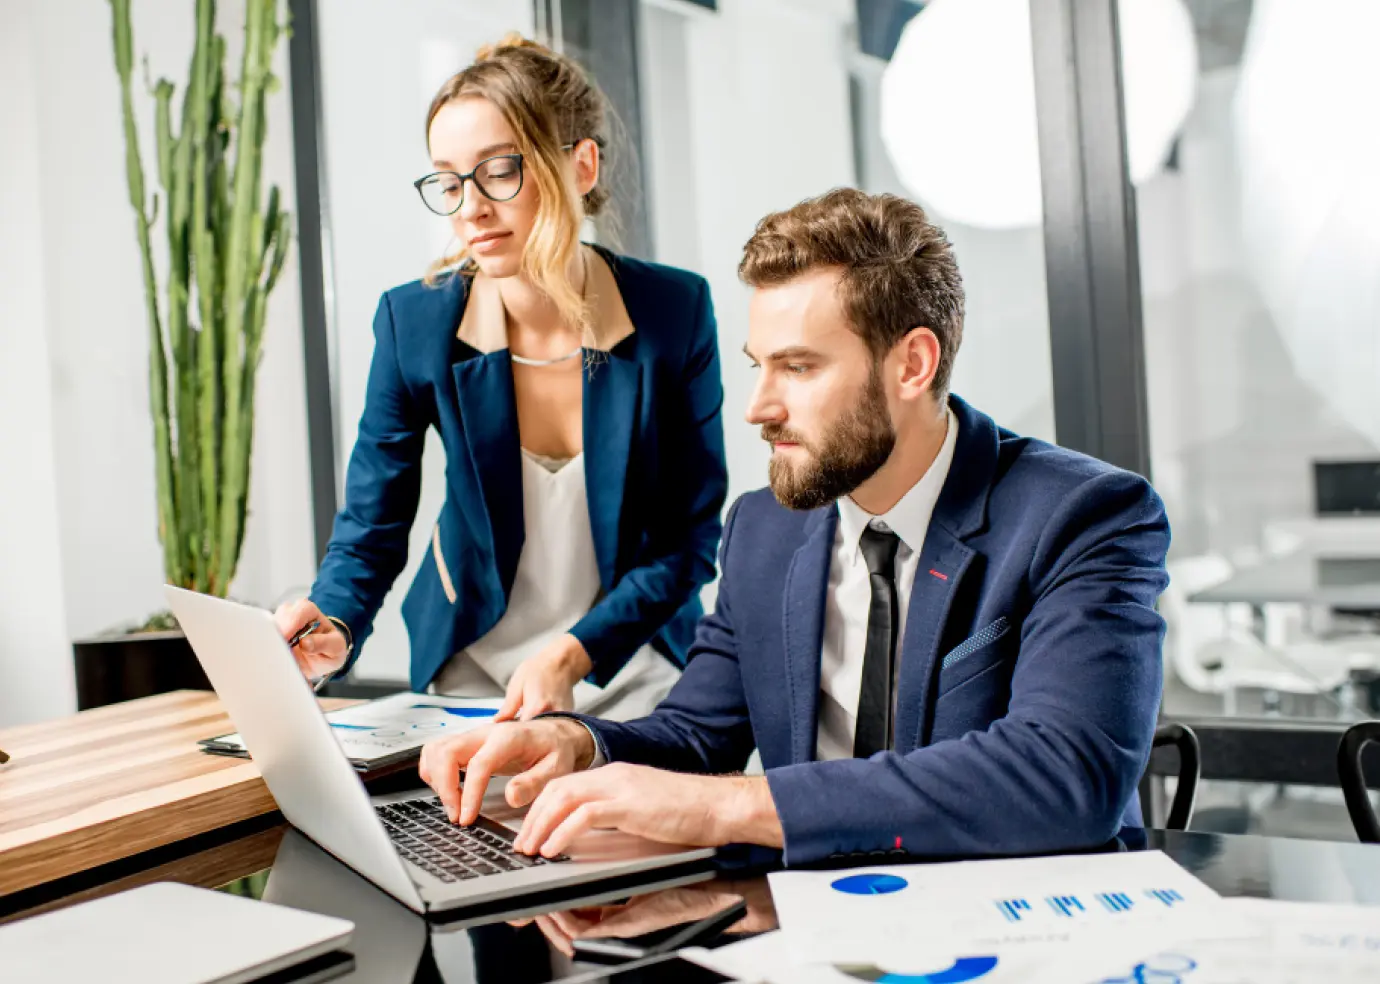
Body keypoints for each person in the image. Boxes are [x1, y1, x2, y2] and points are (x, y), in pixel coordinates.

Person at [417, 188, 1171, 865]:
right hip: (812, 933)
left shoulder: (1084, 516)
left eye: (799, 368)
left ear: (912, 365)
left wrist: (730, 807)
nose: (758, 406)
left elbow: (1066, 776)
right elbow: (696, 734)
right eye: (758, 366)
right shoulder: (763, 528)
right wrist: (577, 743)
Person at [274, 35, 727, 723]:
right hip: (471, 674)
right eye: (449, 181)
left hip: (631, 667)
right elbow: (373, 521)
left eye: (499, 172)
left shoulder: (673, 313)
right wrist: (333, 623)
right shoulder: (416, 323)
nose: (471, 209)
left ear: (580, 166)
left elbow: (687, 541)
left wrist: (571, 655)